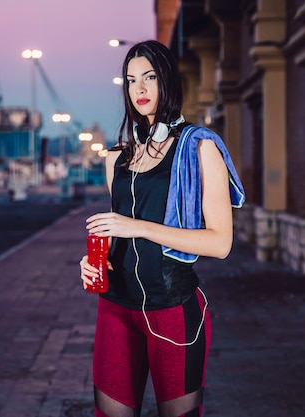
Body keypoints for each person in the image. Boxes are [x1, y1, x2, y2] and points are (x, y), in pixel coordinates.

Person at [79, 40, 245, 417]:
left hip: (172, 310)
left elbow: (220, 243)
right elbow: (118, 231)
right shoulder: (116, 159)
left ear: (168, 80)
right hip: (115, 310)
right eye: (131, 80)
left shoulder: (200, 149)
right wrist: (93, 262)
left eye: (149, 77)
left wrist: (136, 227)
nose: (139, 89)